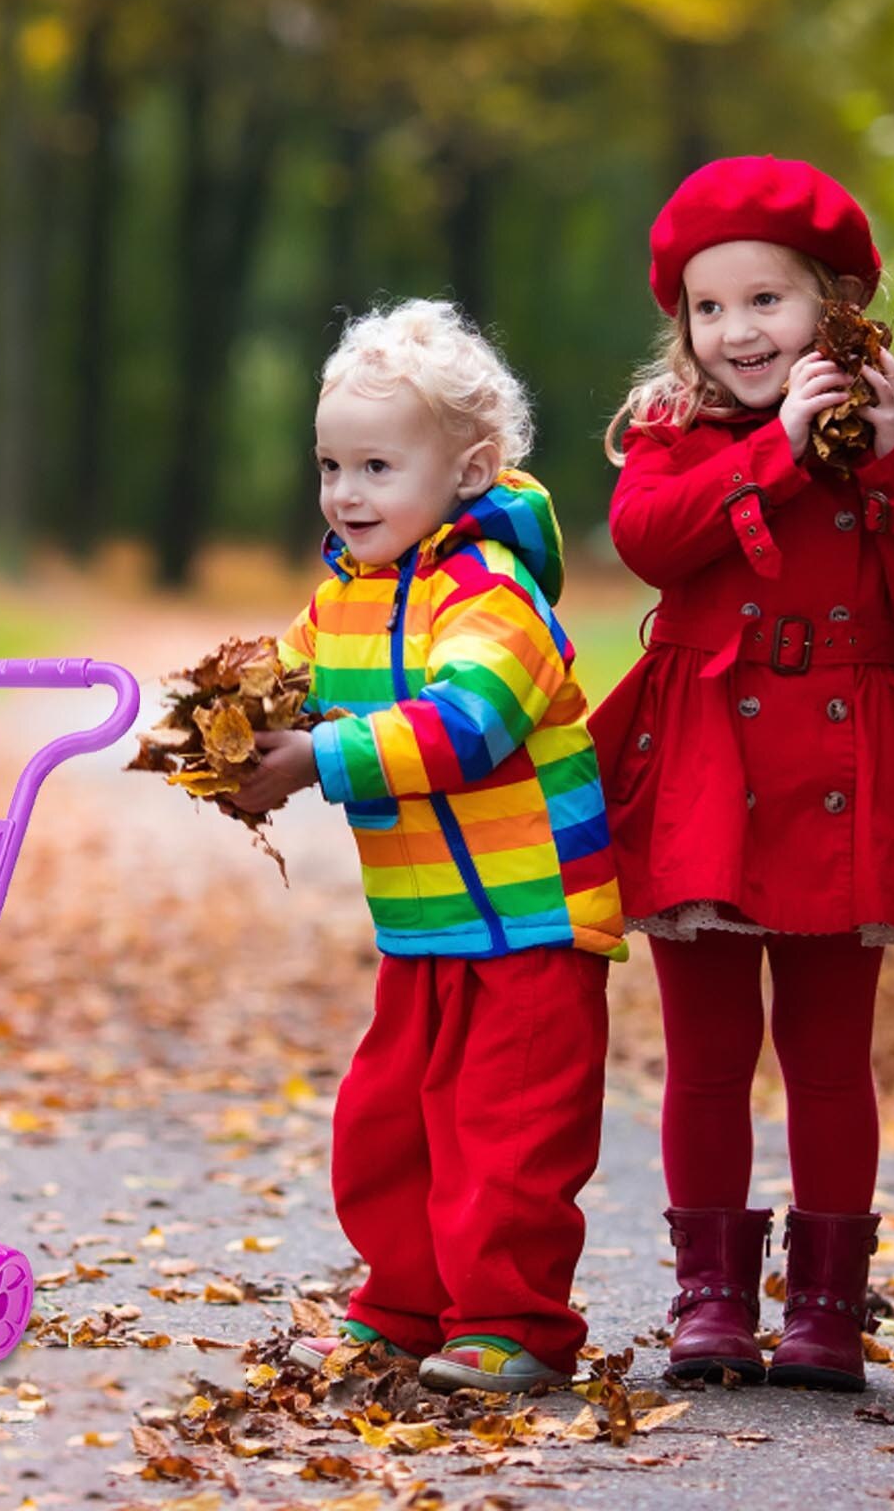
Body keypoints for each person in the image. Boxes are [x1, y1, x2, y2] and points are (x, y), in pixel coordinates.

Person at [589, 155, 894, 1392]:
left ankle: (828, 1305)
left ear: (835, 306)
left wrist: (888, 461)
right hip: (705, 766)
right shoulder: (672, 435)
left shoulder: (891, 444)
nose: (736, 330)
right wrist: (773, 454)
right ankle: (711, 1297)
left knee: (829, 1057)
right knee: (708, 1053)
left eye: (765, 300)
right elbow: (650, 542)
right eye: (708, 307)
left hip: (841, 768)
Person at [233, 298, 627, 1393]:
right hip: (425, 924)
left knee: (506, 1134)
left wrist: (319, 758)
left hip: (533, 919)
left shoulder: (496, 597)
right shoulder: (344, 602)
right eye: (330, 466)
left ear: (468, 472)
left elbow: (469, 726)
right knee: (389, 1125)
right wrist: (223, 725)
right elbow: (284, 681)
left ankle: (511, 1321)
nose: (346, 493)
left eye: (376, 467)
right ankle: (404, 1305)